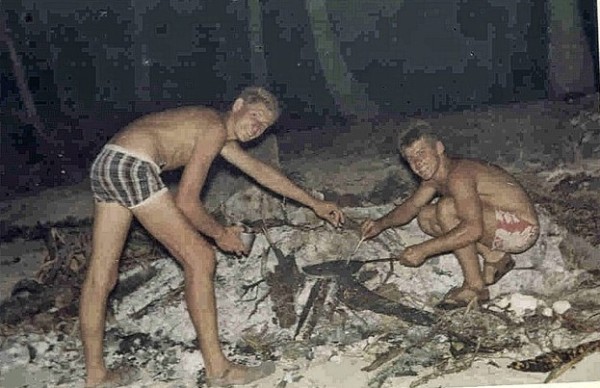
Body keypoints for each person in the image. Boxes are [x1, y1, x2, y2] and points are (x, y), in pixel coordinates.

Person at [80, 86, 345, 387]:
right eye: (254, 116)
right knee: (201, 259)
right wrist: (220, 234)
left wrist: (314, 203)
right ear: (237, 105)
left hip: (109, 162)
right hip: (134, 165)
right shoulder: (214, 128)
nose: (256, 127)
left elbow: (261, 171)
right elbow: (187, 202)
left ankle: (96, 376)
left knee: (101, 275)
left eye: (264, 126)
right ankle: (218, 369)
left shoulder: (214, 131)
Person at [361, 120, 539, 309]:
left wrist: (423, 250)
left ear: (438, 148)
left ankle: (475, 288)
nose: (418, 163)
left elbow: (472, 229)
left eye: (422, 153)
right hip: (498, 225)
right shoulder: (434, 180)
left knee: (446, 209)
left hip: (522, 229)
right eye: (411, 159)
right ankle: (496, 258)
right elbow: (410, 207)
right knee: (426, 216)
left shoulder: (459, 175)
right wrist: (380, 224)